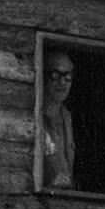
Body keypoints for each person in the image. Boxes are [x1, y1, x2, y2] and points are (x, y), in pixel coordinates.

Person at [38, 50, 76, 189]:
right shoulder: (36, 115)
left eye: (67, 77)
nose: (62, 82)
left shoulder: (68, 118)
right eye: (55, 75)